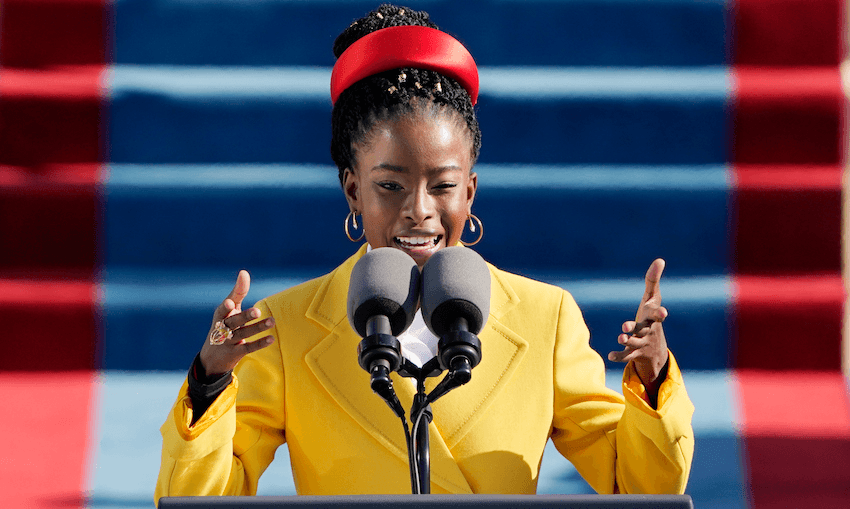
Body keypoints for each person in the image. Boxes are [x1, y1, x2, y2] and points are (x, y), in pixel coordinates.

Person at [154, 3, 694, 501]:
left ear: (470, 192)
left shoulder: (544, 318)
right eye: (390, 186)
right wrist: (210, 380)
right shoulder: (286, 327)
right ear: (353, 191)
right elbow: (198, 503)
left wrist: (652, 379)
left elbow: (642, 487)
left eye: (442, 185)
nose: (419, 210)